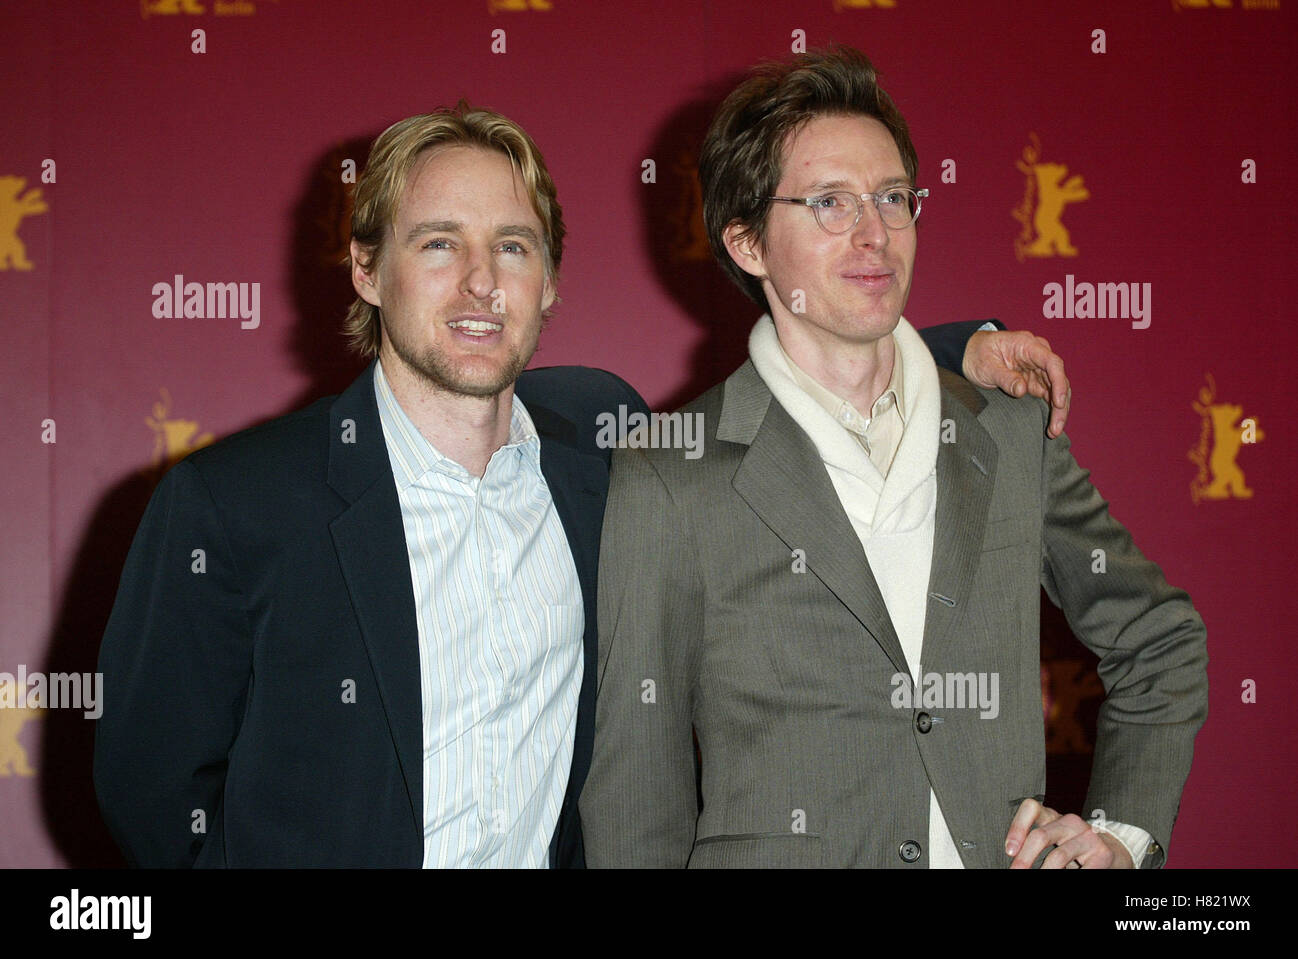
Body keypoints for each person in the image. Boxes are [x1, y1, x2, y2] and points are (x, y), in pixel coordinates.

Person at [94, 101, 1074, 868]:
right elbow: (151, 790)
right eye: (439, 243)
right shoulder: (232, 504)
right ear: (364, 266)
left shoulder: (611, 457)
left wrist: (958, 347)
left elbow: (771, 414)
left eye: (512, 247)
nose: (481, 283)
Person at [579, 48, 1208, 869]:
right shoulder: (670, 476)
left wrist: (1122, 838)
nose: (874, 231)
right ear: (747, 243)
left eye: (892, 197)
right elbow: (637, 798)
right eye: (830, 202)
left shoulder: (1009, 430)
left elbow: (1160, 636)